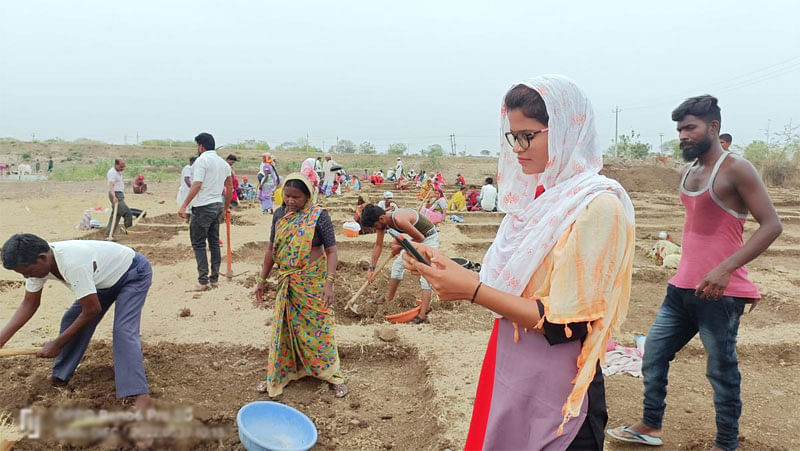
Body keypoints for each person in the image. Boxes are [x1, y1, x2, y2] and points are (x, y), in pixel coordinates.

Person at [399, 76, 635, 450]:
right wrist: (451, 266)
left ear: (563, 132)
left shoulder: (596, 206)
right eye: (513, 136)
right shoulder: (539, 199)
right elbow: (519, 280)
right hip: (515, 369)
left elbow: (566, 324)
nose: (518, 149)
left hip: (559, 391)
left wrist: (473, 291)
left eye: (528, 136)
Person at [608, 95, 782, 451]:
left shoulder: (737, 169)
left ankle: (726, 443)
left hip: (721, 293)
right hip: (682, 288)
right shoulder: (688, 171)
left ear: (713, 128)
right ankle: (650, 425)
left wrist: (724, 269)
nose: (683, 135)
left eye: (690, 128)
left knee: (721, 370)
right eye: (679, 129)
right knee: (654, 354)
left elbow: (772, 225)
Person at [0, 234, 154, 412]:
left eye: (27, 271)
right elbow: (29, 304)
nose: (27, 276)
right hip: (101, 280)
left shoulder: (72, 263)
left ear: (42, 258)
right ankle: (60, 376)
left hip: (133, 273)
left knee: (123, 331)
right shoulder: (36, 263)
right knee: (71, 320)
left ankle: (139, 394)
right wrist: (2, 339)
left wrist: (57, 344)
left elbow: (91, 311)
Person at [254, 173, 347, 397]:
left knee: (319, 329)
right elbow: (271, 250)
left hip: (312, 282)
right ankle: (281, 374)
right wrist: (262, 280)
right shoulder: (278, 215)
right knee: (284, 329)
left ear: (308, 197)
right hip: (287, 282)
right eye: (287, 196)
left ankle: (333, 376)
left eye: (296, 197)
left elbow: (332, 251)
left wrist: (329, 283)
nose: (291, 201)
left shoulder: (319, 216)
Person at [360, 205, 439, 323]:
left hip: (429, 238)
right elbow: (378, 245)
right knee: (397, 266)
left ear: (381, 219)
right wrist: (371, 268)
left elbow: (420, 237)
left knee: (425, 274)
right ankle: (388, 299)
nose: (376, 229)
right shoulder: (382, 222)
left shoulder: (399, 219)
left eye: (375, 226)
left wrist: (400, 247)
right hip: (417, 239)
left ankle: (422, 314)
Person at [178, 132, 233, 292]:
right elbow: (229, 187)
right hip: (217, 205)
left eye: (197, 146)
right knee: (214, 242)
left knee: (199, 243)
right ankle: (214, 279)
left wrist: (184, 206)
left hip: (203, 207)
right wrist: (225, 207)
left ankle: (203, 281)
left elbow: (196, 185)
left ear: (201, 146)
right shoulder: (223, 164)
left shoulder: (202, 161)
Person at [105, 159, 133, 237]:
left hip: (119, 194)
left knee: (116, 215)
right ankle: (130, 230)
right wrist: (114, 197)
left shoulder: (118, 172)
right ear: (116, 164)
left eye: (123, 167)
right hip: (115, 194)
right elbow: (111, 186)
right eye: (121, 167)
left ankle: (108, 232)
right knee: (127, 212)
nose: (122, 169)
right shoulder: (112, 173)